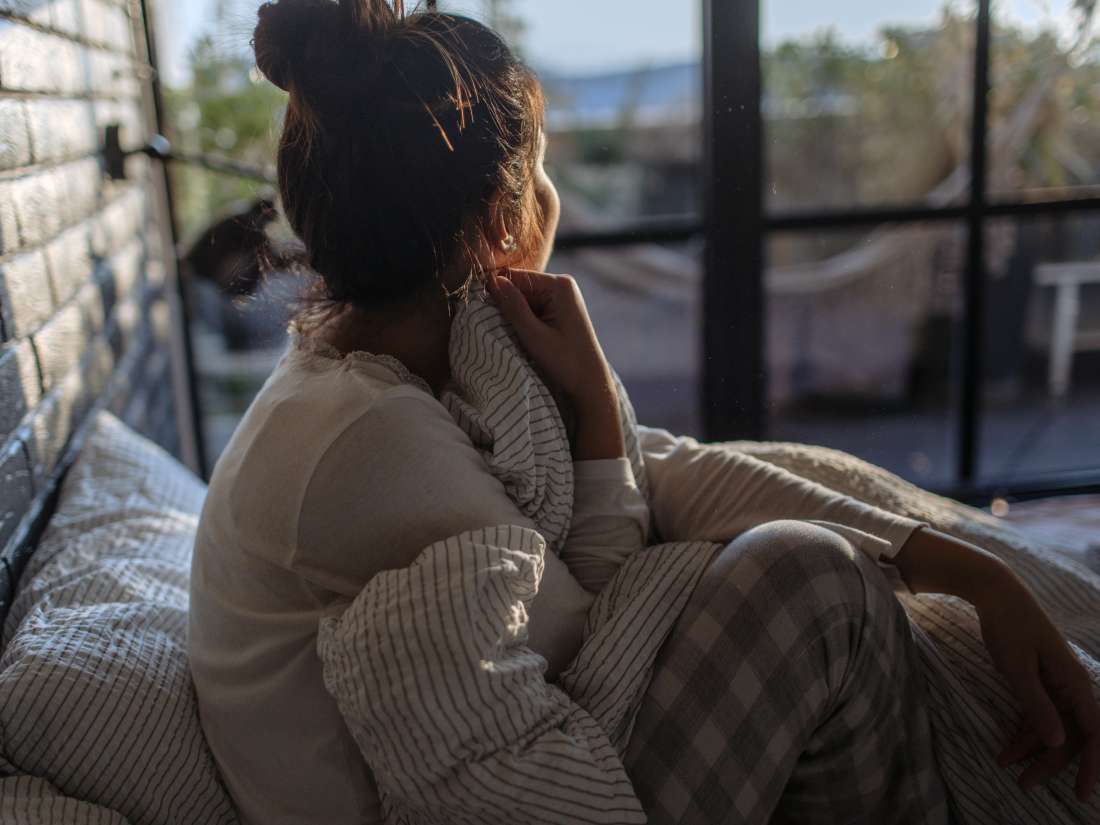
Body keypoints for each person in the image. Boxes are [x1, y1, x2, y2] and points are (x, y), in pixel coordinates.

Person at [187, 2, 1100, 823]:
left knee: (803, 562)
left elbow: (659, 467)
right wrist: (591, 399)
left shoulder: (396, 361)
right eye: (540, 172)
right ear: (501, 221)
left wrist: (967, 569)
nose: (552, 198)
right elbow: (596, 638)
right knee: (817, 587)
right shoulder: (367, 439)